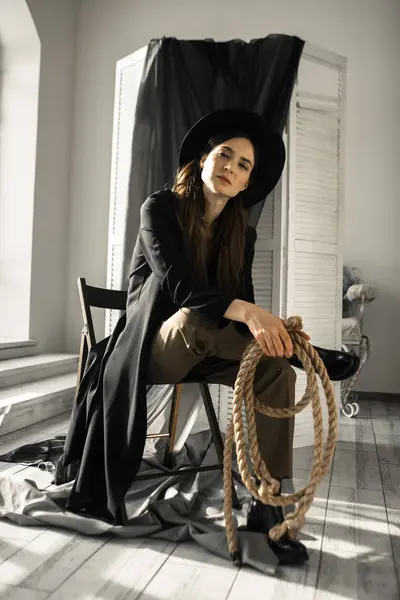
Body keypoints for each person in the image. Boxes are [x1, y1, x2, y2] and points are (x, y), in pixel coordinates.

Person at [59, 108, 311, 566]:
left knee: (276, 371)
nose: (231, 167)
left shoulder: (242, 235)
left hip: (207, 348)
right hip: (151, 349)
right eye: (224, 155)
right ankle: (311, 357)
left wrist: (270, 330)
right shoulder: (160, 209)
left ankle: (265, 505)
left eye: (243, 165)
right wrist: (252, 314)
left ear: (246, 183)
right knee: (197, 318)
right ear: (202, 160)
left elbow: (242, 308)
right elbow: (181, 288)